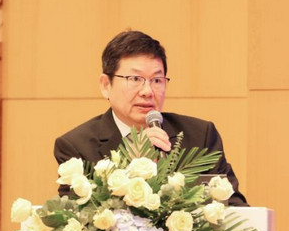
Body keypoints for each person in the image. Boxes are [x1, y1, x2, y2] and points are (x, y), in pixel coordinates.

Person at [53, 30, 248, 206]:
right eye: (135, 79)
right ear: (106, 85)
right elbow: (77, 220)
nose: (147, 91)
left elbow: (235, 209)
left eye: (156, 80)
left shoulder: (200, 136)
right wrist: (129, 165)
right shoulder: (76, 147)